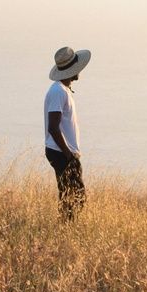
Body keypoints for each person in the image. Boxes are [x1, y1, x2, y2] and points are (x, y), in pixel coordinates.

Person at [44, 45, 90, 220]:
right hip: (61, 152)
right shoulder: (58, 92)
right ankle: (65, 227)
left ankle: (66, 226)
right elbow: (53, 127)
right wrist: (69, 155)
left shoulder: (62, 90)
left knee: (70, 194)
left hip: (61, 151)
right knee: (75, 195)